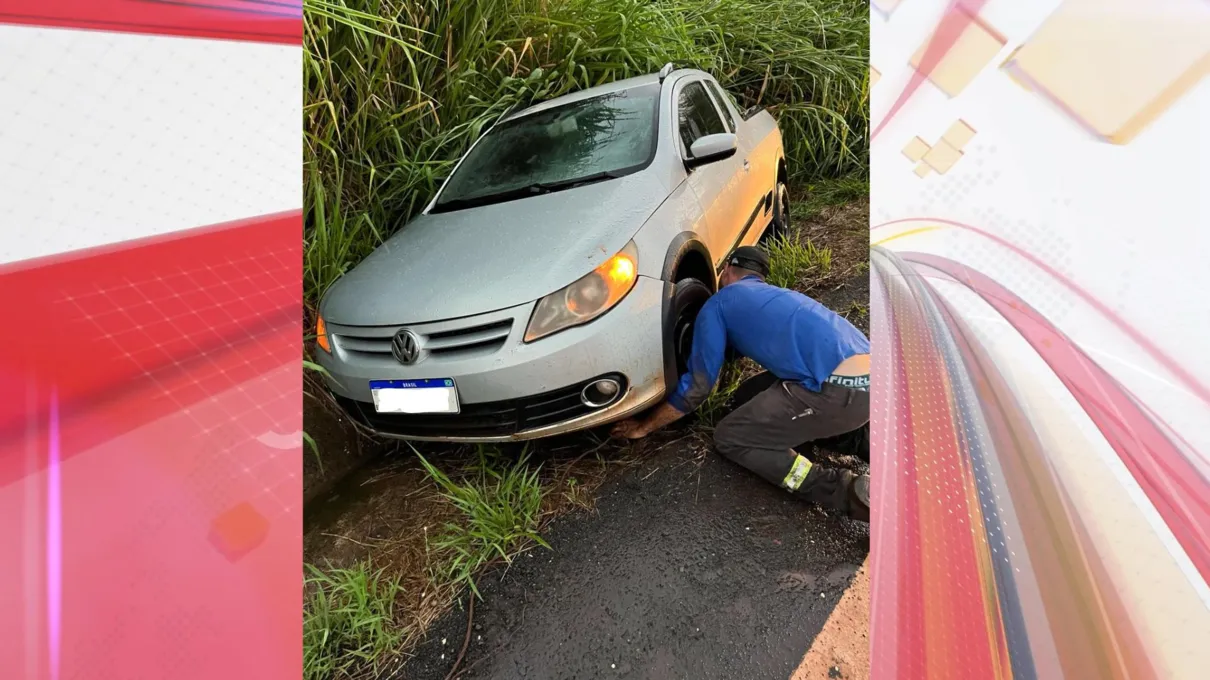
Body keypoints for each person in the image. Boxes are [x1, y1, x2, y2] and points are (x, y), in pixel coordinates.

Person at [611, 245, 871, 521]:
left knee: (732, 437)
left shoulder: (719, 303)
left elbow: (697, 388)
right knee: (746, 397)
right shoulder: (777, 297)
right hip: (871, 379)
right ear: (760, 277)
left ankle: (845, 492)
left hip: (836, 391)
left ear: (725, 272)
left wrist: (646, 426)